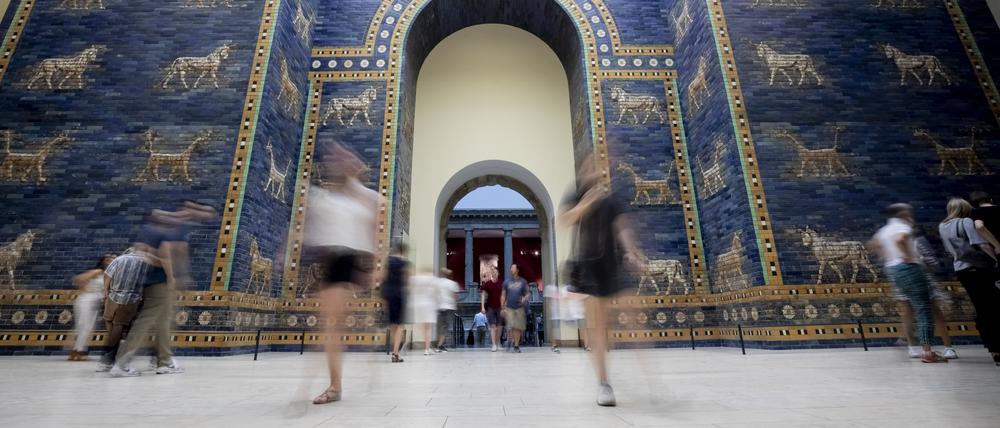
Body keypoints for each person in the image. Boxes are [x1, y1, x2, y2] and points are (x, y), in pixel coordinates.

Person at [559, 152, 644, 406]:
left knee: (632, 313)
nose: (594, 169)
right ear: (583, 168)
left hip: (612, 264)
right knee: (596, 327)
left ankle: (648, 374)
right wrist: (587, 203)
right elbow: (563, 221)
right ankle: (604, 383)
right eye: (590, 165)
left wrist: (631, 252)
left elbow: (623, 227)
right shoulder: (575, 194)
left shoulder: (612, 197)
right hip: (588, 266)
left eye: (599, 165)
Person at [303, 142, 381, 404]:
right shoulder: (325, 197)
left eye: (347, 158)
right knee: (332, 325)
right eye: (337, 159)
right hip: (333, 260)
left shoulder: (367, 197)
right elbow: (312, 232)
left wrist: (373, 267)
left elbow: (374, 233)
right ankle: (335, 384)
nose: (341, 161)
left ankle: (336, 385)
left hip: (350, 259)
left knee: (334, 325)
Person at [110, 202, 216, 377]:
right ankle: (122, 363)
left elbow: (142, 251)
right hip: (161, 282)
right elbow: (167, 255)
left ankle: (163, 361)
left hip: (150, 281)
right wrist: (174, 277)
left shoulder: (152, 229)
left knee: (163, 321)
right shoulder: (167, 230)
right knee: (148, 320)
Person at [869, 204, 947, 363]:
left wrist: (887, 257)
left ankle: (917, 347)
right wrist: (907, 256)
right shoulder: (902, 226)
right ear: (903, 213)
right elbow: (900, 239)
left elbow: (874, 245)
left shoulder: (884, 230)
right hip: (908, 267)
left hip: (892, 268)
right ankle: (928, 352)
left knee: (909, 306)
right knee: (924, 308)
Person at [939, 198, 1000, 365]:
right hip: (979, 268)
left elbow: (948, 250)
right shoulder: (966, 221)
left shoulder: (942, 226)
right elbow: (980, 244)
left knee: (981, 308)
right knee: (994, 306)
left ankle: (993, 348)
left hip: (961, 270)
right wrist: (996, 256)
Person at [894, 228, 956, 359]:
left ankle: (914, 348)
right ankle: (946, 348)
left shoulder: (893, 247)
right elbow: (933, 263)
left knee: (908, 315)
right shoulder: (917, 242)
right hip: (922, 280)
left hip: (903, 283)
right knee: (933, 313)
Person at [68, 254, 115, 361]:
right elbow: (78, 279)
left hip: (96, 303)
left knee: (89, 327)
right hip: (87, 300)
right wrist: (84, 288)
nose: (110, 261)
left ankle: (79, 350)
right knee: (84, 326)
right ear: (103, 261)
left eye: (113, 259)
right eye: (108, 259)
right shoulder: (98, 271)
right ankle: (77, 352)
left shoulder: (110, 275)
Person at [380, 241, 409, 363]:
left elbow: (382, 277)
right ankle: (396, 353)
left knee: (393, 324)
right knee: (400, 325)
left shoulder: (388, 262)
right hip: (400, 295)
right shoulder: (404, 264)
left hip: (388, 294)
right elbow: (407, 281)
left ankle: (394, 349)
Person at [409, 270, 440, 356]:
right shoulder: (432, 280)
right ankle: (427, 349)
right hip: (429, 306)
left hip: (419, 305)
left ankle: (427, 347)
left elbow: (411, 288)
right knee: (428, 328)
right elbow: (435, 294)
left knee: (423, 327)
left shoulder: (417, 279)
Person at [501, 264, 529, 353]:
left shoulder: (523, 281)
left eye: (513, 268)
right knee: (512, 326)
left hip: (519, 307)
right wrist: (502, 307)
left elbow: (528, 293)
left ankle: (516, 345)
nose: (511, 269)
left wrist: (525, 298)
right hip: (509, 307)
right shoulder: (506, 282)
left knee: (518, 327)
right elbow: (503, 295)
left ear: (517, 270)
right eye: (511, 268)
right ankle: (513, 342)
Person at [434, 268, 460, 352]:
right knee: (445, 326)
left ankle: (439, 344)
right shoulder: (452, 284)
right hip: (449, 307)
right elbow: (454, 296)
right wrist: (456, 304)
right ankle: (440, 345)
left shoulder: (437, 282)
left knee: (440, 326)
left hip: (439, 306)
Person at [480, 266, 504, 352]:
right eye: (492, 272)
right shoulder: (487, 284)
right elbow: (483, 295)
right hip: (490, 307)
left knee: (500, 326)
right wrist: (482, 306)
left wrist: (504, 307)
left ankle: (498, 342)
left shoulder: (502, 283)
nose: (494, 273)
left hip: (500, 307)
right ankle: (494, 344)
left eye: (495, 272)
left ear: (498, 273)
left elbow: (504, 296)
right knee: (493, 326)